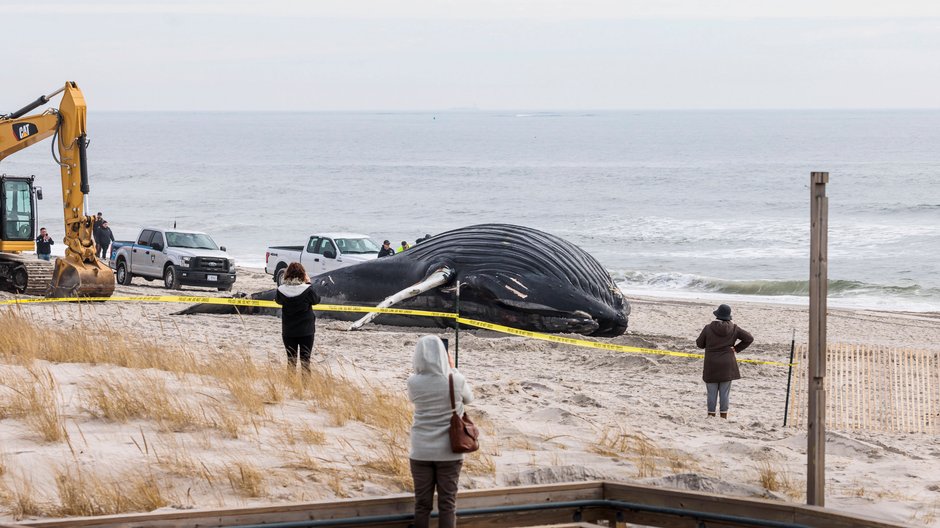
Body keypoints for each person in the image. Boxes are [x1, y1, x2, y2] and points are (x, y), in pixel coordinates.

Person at [408, 335, 473, 528]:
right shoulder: (456, 379)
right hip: (449, 452)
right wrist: (452, 368)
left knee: (422, 505)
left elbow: (416, 400)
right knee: (447, 504)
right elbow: (469, 399)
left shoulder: (413, 382)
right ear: (444, 355)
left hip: (420, 451)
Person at [696, 304, 753, 418]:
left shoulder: (708, 328)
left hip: (711, 364)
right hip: (727, 364)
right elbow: (749, 338)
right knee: (725, 392)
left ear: (717, 315)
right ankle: (723, 415)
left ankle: (711, 414)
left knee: (711, 392)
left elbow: (699, 344)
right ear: (728, 316)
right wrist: (736, 348)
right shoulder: (734, 328)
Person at [274, 262, 321, 374]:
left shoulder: (281, 290)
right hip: (306, 330)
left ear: (287, 274)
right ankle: (305, 388)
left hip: (288, 330)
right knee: (305, 361)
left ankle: (291, 386)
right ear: (302, 275)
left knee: (291, 361)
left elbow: (278, 301)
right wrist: (309, 282)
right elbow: (316, 300)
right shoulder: (308, 289)